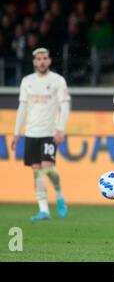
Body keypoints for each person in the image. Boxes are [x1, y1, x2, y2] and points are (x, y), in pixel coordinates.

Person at [11, 47, 71, 221]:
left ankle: (59, 195)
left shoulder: (57, 80)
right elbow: (22, 108)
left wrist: (61, 128)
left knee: (48, 167)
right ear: (34, 62)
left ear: (49, 61)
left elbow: (65, 106)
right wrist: (16, 133)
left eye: (45, 58)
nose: (42, 61)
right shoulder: (27, 81)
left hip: (49, 132)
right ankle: (44, 210)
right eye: (39, 59)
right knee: (37, 171)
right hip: (31, 133)